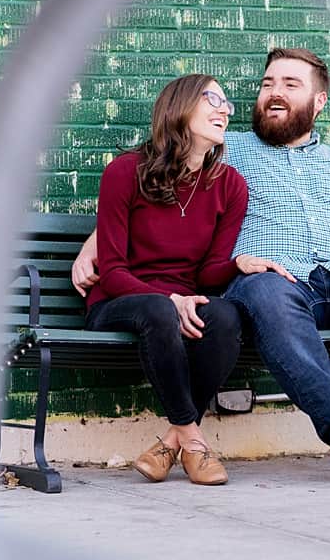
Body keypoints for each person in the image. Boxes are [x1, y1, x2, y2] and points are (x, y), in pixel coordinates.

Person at [74, 49, 330, 485]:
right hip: (276, 285)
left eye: (290, 85)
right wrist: (96, 241)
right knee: (263, 289)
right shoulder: (226, 149)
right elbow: (163, 174)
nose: (274, 93)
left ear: (318, 102)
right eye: (267, 85)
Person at [82, 73, 263, 486]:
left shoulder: (230, 186)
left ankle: (171, 441)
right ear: (179, 106)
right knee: (160, 308)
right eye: (212, 98)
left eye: (227, 104)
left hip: (177, 304)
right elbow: (111, 271)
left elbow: (207, 274)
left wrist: (239, 265)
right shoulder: (125, 172)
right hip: (117, 302)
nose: (224, 109)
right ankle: (195, 443)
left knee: (227, 316)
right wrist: (172, 298)